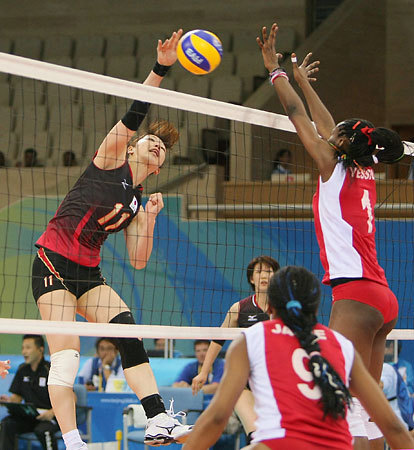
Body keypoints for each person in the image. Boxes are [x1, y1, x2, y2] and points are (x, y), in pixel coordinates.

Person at [31, 29, 192, 450]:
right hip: (52, 263)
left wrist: (150, 218)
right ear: (133, 147)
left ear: (158, 168)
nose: (157, 146)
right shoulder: (109, 160)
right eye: (151, 140)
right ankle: (73, 441)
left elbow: (138, 259)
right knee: (67, 358)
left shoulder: (138, 201)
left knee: (127, 328)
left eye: (163, 149)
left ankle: (156, 418)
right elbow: (135, 112)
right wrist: (161, 68)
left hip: (88, 272)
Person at [257, 23, 405, 449]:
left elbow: (298, 116)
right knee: (367, 409)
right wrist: (303, 80)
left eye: (337, 132)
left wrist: (276, 72)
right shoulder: (364, 168)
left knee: (340, 405)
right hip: (382, 299)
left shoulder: (330, 166)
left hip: (356, 296)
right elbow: (326, 124)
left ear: (341, 143)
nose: (330, 130)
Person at [183, 266, 414, 450]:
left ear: (270, 307)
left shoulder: (251, 339)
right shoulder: (341, 344)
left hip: (281, 443)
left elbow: (217, 419)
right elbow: (393, 427)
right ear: (316, 308)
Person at [192, 255, 280, 443]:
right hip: (245, 382)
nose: (264, 275)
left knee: (276, 437)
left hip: (276, 382)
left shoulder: (284, 309)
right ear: (251, 278)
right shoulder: (239, 309)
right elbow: (218, 340)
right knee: (256, 437)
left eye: (269, 271)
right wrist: (204, 372)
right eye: (259, 271)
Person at [0, 335, 60, 450]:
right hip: (29, 416)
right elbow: (17, 398)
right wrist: (8, 401)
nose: (24, 352)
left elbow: (72, 398)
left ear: (40, 349)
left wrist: (52, 412)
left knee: (43, 430)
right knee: (7, 424)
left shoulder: (51, 370)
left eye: (28, 348)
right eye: (23, 348)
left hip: (49, 417)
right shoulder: (22, 369)